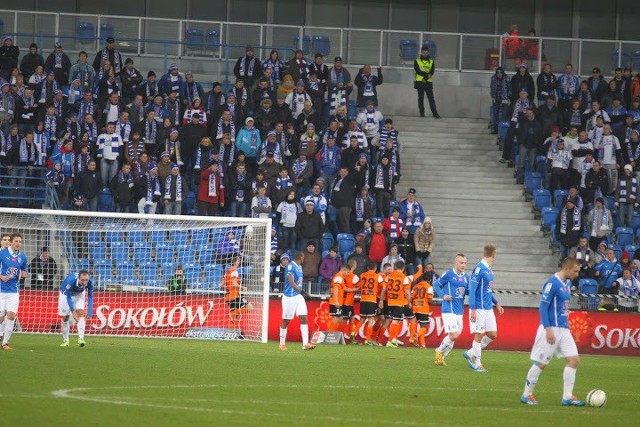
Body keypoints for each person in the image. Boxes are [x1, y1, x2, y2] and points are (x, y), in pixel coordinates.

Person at [520, 257, 585, 407]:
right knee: (541, 363)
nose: (577, 274)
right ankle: (526, 394)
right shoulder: (552, 283)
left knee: (574, 360)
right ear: (566, 269)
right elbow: (543, 307)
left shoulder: (567, 283)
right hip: (551, 329)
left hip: (564, 328)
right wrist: (548, 328)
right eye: (575, 271)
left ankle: (567, 397)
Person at [464, 244, 504, 373]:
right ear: (493, 254)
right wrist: (473, 309)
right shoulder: (479, 269)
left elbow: (487, 291)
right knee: (479, 334)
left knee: (492, 334)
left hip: (488, 307)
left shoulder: (489, 269)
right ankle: (477, 362)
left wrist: (496, 303)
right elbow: (473, 289)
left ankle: (471, 352)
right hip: (479, 307)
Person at [433, 253, 469, 366]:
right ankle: (438, 350)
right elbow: (436, 285)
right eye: (461, 263)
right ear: (456, 263)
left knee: (454, 338)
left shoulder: (466, 277)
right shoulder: (448, 274)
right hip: (449, 309)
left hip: (459, 311)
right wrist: (443, 295)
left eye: (465, 263)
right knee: (454, 335)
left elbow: (467, 291)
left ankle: (441, 358)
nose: (463, 265)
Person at [279, 251, 315, 351]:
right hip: (289, 297)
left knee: (304, 318)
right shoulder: (290, 266)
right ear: (301, 257)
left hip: (298, 296)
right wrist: (302, 291)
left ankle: (305, 344)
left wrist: (301, 293)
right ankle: (282, 343)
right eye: (304, 258)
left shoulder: (299, 267)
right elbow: (291, 281)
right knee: (286, 321)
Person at [0, 233, 28, 350]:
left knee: (11, 315)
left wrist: (24, 273)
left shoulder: (22, 257)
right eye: (16, 241)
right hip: (1, 290)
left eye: (20, 242)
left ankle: (5, 343)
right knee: (1, 317)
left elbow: (24, 269)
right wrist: (1, 276)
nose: (18, 244)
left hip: (13, 291)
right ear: (11, 242)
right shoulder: (2, 254)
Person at [58, 270, 94, 347]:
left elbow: (90, 296)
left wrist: (90, 312)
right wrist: (73, 312)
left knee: (81, 313)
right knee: (65, 318)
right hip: (65, 295)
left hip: (79, 294)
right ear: (78, 278)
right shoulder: (71, 282)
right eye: (82, 280)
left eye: (86, 280)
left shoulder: (90, 282)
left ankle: (81, 339)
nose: (85, 282)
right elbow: (68, 297)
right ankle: (65, 340)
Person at [224, 256, 253, 338]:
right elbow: (234, 283)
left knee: (236, 317)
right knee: (250, 307)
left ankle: (234, 333)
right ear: (234, 262)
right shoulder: (234, 271)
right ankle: (232, 313)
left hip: (228, 296)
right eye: (238, 261)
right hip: (234, 296)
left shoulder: (227, 271)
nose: (239, 262)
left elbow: (222, 283)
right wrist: (243, 287)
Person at [359, 261, 384, 345]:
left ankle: (353, 333)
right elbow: (384, 287)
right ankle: (367, 339)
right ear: (375, 268)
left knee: (362, 318)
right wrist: (381, 299)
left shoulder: (362, 275)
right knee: (370, 319)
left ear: (367, 268)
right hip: (372, 299)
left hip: (363, 299)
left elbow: (360, 286)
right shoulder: (378, 276)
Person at [413, 45, 440, 119]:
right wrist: (426, 75)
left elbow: (432, 72)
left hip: (428, 83)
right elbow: (417, 71)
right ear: (421, 52)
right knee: (420, 98)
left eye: (426, 52)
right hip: (419, 82)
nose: (425, 54)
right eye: (423, 52)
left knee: (431, 99)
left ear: (428, 53)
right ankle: (422, 113)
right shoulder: (417, 61)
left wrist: (425, 78)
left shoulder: (431, 61)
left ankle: (435, 114)